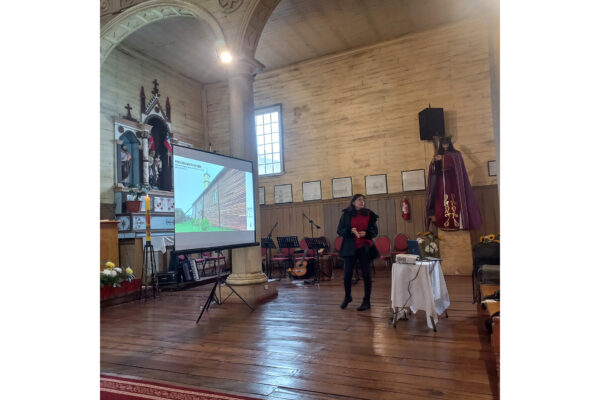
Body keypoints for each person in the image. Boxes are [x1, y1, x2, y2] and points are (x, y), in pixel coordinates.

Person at [424, 136, 481, 231]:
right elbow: (434, 171)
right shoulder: (439, 154)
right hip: (441, 183)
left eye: (447, 143)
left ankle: (460, 223)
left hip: (453, 183)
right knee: (442, 203)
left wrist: (442, 158)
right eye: (443, 144)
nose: (445, 146)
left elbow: (453, 162)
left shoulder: (456, 154)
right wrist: (434, 163)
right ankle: (443, 222)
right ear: (441, 145)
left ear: (450, 144)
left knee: (455, 202)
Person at [336, 194, 380, 311]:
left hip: (364, 248)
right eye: (359, 200)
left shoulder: (369, 214)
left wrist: (366, 233)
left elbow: (375, 231)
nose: (362, 202)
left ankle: (367, 301)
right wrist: (350, 230)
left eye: (363, 200)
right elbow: (339, 230)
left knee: (366, 275)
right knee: (347, 275)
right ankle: (347, 296)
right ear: (353, 202)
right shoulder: (346, 214)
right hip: (350, 247)